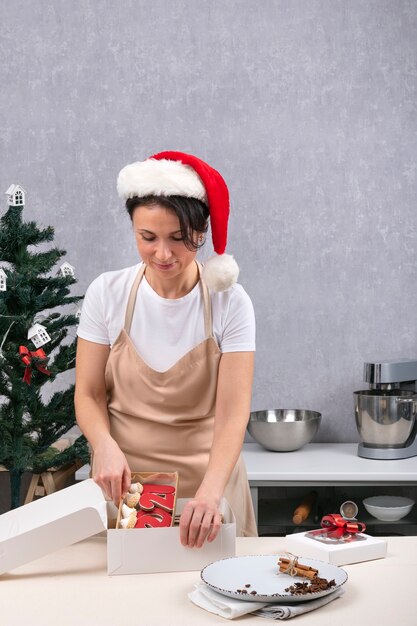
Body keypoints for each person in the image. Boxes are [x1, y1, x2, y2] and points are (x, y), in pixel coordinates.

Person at [75, 151, 258, 548]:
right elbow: (89, 393)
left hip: (209, 481)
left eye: (178, 239)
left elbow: (232, 412)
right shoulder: (106, 294)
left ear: (202, 231)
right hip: (125, 485)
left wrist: (211, 492)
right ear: (133, 230)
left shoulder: (230, 302)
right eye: (148, 238)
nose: (163, 254)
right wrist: (103, 446)